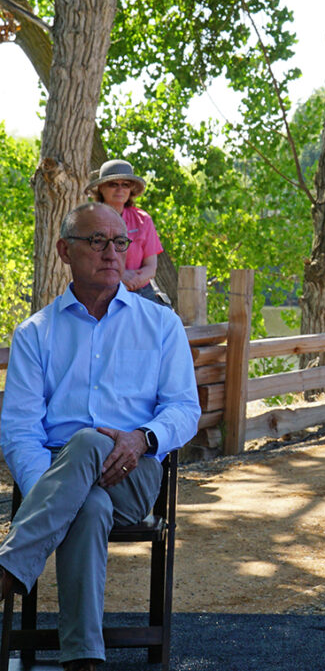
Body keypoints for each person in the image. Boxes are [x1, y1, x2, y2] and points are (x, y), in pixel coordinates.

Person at [0, 202, 201, 671]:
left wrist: (142, 439)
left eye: (120, 243)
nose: (111, 253)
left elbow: (184, 410)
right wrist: (48, 491)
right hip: (56, 472)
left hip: (134, 474)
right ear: (64, 250)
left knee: (94, 441)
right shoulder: (35, 334)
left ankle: (8, 569)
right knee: (86, 502)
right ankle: (83, 659)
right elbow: (20, 431)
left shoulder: (161, 325)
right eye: (96, 241)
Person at [86, 158, 165, 304]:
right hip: (103, 292)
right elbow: (89, 264)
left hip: (142, 292)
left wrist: (136, 280)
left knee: (164, 321)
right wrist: (120, 277)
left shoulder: (143, 220)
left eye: (125, 185)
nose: (120, 189)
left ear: (131, 190)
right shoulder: (88, 221)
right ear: (101, 188)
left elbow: (151, 266)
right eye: (113, 184)